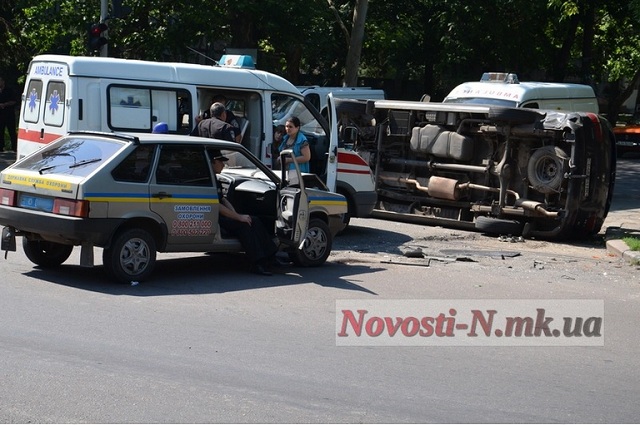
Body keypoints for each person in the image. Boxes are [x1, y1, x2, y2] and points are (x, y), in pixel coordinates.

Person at [210, 149, 278, 275]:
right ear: (214, 162)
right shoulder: (208, 178)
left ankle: (271, 256)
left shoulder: (214, 178)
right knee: (245, 226)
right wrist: (238, 217)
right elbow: (216, 205)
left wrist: (235, 214)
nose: (224, 165)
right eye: (221, 162)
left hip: (221, 215)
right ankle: (257, 263)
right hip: (214, 218)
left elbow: (222, 199)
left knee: (255, 220)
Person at [278, 116, 311, 183]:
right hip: (284, 172)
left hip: (297, 173)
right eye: (286, 126)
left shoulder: (302, 140)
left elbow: (306, 157)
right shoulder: (285, 138)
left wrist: (289, 160)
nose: (288, 129)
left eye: (290, 127)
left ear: (297, 128)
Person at [0, 76, 18, 152]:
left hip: (9, 114)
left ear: (3, 82)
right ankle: (1, 147)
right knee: (0, 131)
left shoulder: (9, 90)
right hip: (0, 114)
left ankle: (14, 147)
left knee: (12, 131)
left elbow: (14, 101)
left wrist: (5, 104)